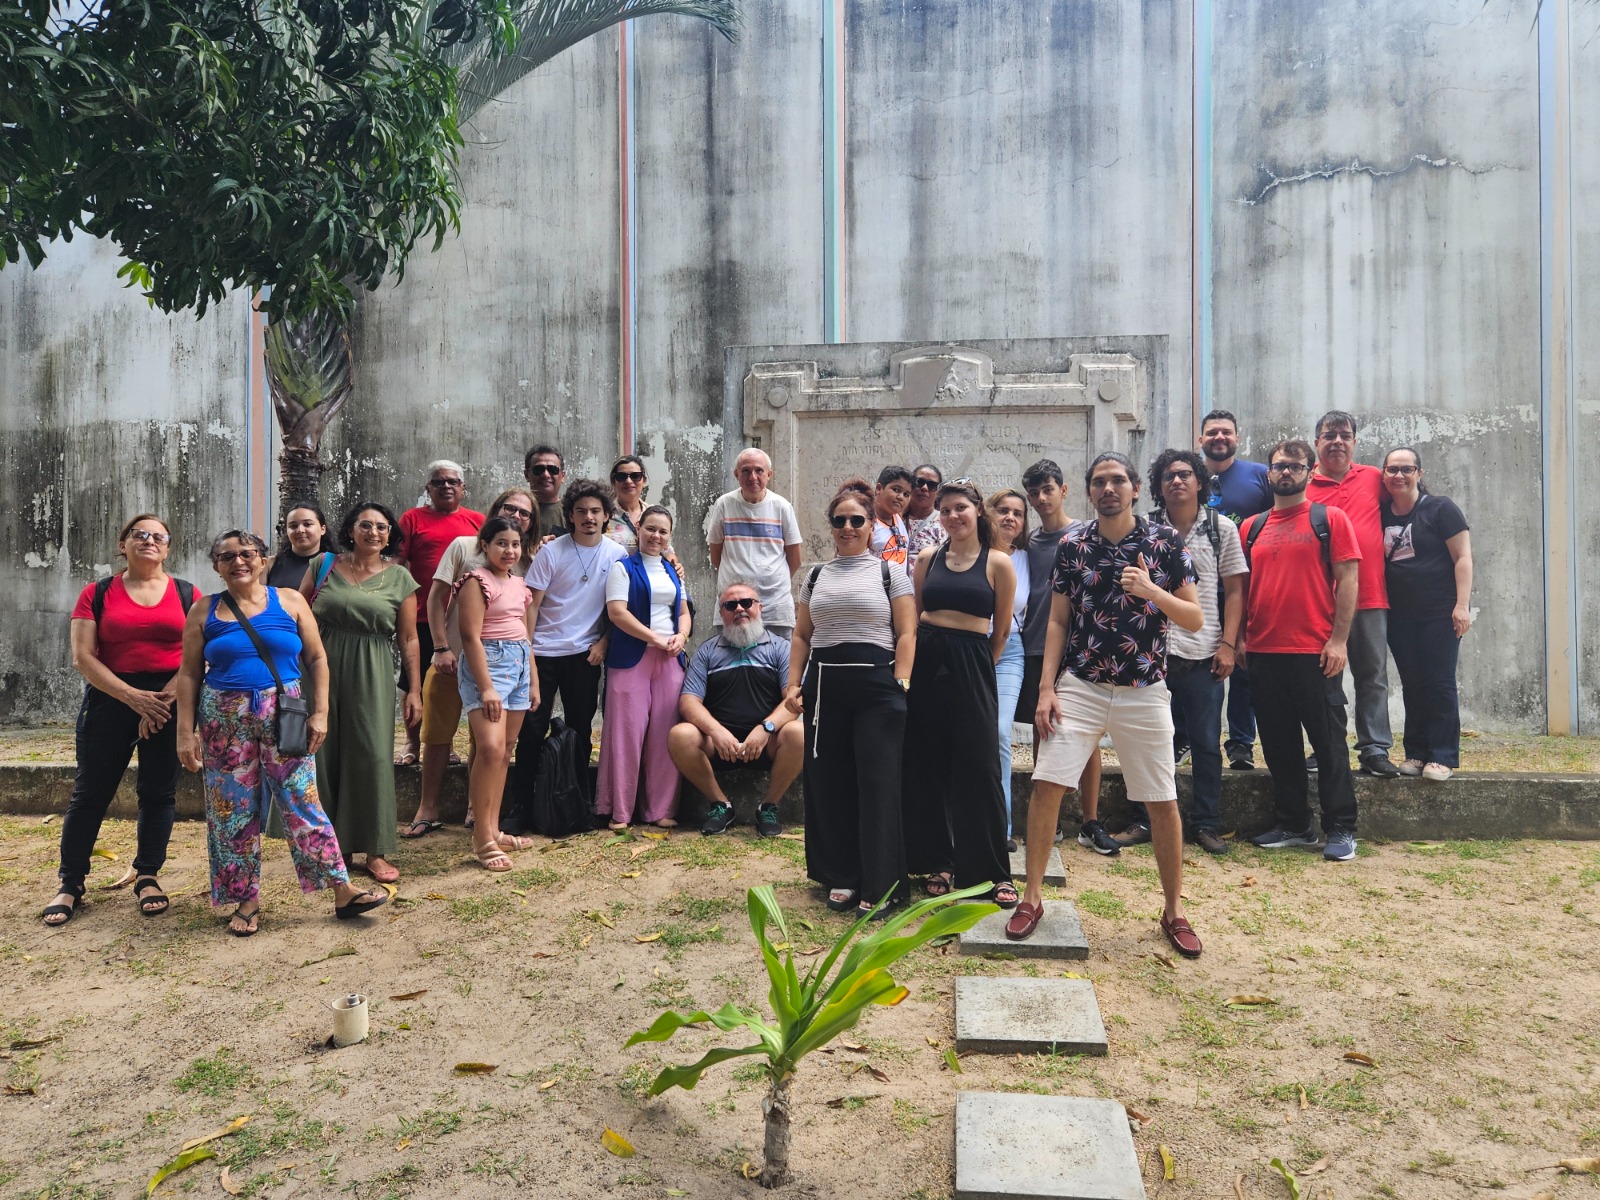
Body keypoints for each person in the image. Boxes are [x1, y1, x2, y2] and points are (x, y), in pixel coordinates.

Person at [1007, 453, 1204, 957]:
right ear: (1089, 492)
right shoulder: (1074, 544)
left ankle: (1174, 910)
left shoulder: (1165, 542)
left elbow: (1194, 620)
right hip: (1083, 685)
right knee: (1048, 782)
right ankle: (1032, 897)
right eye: (1099, 482)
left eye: (1118, 480)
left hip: (1145, 689)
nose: (1109, 489)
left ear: (1136, 489)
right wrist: (1047, 687)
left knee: (1161, 799)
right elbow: (1057, 621)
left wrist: (1152, 590)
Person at [175, 530, 388, 936]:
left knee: (302, 800)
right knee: (231, 810)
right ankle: (246, 899)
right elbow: (187, 673)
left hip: (283, 712)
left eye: (247, 554)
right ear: (216, 565)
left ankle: (342, 891)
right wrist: (186, 732)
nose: (238, 562)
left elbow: (317, 658)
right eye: (227, 556)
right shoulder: (204, 609)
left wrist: (320, 713)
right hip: (223, 717)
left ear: (262, 558)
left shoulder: (288, 600)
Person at [42, 515, 197, 926]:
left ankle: (147, 875)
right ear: (123, 543)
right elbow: (83, 657)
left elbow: (195, 655)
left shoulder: (187, 593)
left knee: (158, 790)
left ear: (168, 547)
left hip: (169, 696)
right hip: (111, 697)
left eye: (158, 536)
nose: (148, 541)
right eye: (139, 534)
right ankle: (71, 883)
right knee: (91, 791)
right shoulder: (98, 593)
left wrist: (160, 701)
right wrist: (132, 698)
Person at [786, 480, 917, 918]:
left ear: (869, 524)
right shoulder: (815, 575)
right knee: (830, 783)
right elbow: (802, 635)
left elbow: (906, 633)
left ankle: (882, 884)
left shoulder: (889, 572)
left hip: (878, 689)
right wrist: (793, 683)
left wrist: (900, 682)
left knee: (878, 786)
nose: (847, 526)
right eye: (839, 520)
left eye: (856, 519)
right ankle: (840, 874)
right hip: (825, 689)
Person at [1114, 451, 1246, 856]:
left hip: (1202, 653)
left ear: (1200, 481)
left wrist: (1227, 644)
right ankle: (1142, 818)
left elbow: (1236, 589)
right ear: (1157, 484)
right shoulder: (1145, 528)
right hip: (1151, 653)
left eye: (1185, 474)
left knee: (1206, 742)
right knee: (1149, 742)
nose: (1177, 482)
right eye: (1169, 476)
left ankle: (1206, 823)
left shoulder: (1220, 529)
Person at [1241, 440, 1363, 861]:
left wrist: (1339, 640)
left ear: (1310, 472)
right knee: (1278, 744)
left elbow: (1348, 581)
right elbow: (1242, 590)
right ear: (1269, 473)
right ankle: (1293, 823)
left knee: (1329, 744)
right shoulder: (1251, 527)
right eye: (1279, 466)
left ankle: (1341, 828)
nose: (1286, 472)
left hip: (1315, 652)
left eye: (1294, 466)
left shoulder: (1330, 519)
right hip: (1262, 652)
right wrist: (1239, 638)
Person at [903, 481, 1018, 907]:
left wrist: (978, 667)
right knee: (930, 764)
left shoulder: (999, 563)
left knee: (980, 764)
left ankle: (991, 871)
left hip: (973, 663)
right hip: (928, 661)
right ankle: (940, 860)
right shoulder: (928, 559)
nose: (952, 516)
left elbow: (1001, 631)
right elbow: (915, 615)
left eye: (960, 508)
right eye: (945, 510)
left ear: (977, 511)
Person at [404, 488, 538, 837]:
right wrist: (440, 646)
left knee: (492, 745)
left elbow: (525, 627)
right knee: (438, 733)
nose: (518, 517)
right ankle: (427, 808)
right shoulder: (465, 547)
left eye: (525, 515)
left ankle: (478, 817)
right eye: (511, 509)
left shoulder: (522, 565)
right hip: (455, 655)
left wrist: (531, 677)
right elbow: (436, 597)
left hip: (511, 663)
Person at [312, 502, 420, 883]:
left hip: (372, 669)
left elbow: (408, 639)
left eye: (382, 527)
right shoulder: (323, 566)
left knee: (371, 753)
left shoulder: (401, 579)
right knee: (325, 754)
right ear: (351, 530)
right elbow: (293, 613)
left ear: (391, 534)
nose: (373, 532)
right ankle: (333, 850)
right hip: (319, 667)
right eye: (365, 525)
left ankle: (375, 849)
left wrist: (414, 691)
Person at [513, 480, 629, 803]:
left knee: (580, 731)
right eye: (581, 511)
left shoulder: (618, 554)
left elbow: (619, 608)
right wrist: (529, 653)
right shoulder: (551, 552)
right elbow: (531, 605)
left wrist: (604, 642)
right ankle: (523, 806)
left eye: (595, 511)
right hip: (543, 655)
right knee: (532, 731)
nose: (588, 517)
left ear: (607, 515)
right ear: (570, 516)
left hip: (585, 656)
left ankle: (578, 805)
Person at [671, 580, 802, 838]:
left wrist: (766, 729)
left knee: (799, 733)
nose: (739, 609)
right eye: (731, 605)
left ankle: (768, 807)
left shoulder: (781, 648)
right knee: (680, 735)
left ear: (760, 607)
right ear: (722, 613)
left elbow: (793, 701)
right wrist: (717, 733)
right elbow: (688, 701)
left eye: (747, 603)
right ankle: (721, 805)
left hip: (767, 742)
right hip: (720, 745)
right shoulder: (707, 652)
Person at [1020, 460, 1105, 852]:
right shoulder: (1029, 541)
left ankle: (1091, 820)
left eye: (1047, 490)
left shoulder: (1086, 536)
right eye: (1033, 493)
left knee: (1087, 737)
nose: (1040, 499)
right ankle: (1047, 824)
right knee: (1045, 728)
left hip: (1081, 648)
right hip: (1036, 644)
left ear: (1064, 490)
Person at [1307, 412, 1399, 777]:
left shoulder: (1375, 479)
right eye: (1329, 435)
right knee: (1321, 679)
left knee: (1372, 674)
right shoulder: (1304, 484)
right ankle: (1325, 746)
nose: (1337, 441)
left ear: (1354, 442)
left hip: (1371, 595)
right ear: (1317, 443)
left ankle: (1375, 748)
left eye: (1344, 435)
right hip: (1318, 599)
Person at [597, 506, 693, 830]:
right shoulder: (622, 568)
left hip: (670, 658)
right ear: (639, 529)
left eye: (663, 531)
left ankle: (660, 809)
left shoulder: (674, 571)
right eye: (650, 529)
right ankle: (619, 811)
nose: (656, 536)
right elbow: (617, 613)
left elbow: (683, 610)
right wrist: (655, 638)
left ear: (670, 536)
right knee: (626, 733)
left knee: (665, 733)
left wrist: (681, 635)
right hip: (631, 657)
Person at [1380, 448, 1473, 781]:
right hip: (1399, 616)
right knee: (1412, 684)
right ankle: (1417, 753)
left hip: (1440, 613)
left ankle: (1443, 755)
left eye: (1407, 469)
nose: (1399, 476)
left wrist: (1461, 606)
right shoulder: (1380, 513)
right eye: (1392, 470)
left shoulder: (1440, 508)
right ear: (1384, 475)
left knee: (1440, 682)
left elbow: (1463, 557)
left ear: (1419, 473)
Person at [455, 516, 537, 869]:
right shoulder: (476, 581)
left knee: (504, 751)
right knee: (488, 748)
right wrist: (486, 686)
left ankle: (494, 828)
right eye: (501, 543)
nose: (509, 550)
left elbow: (524, 634)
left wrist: (533, 679)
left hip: (518, 664)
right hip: (487, 665)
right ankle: (482, 839)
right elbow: (470, 636)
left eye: (515, 544)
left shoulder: (520, 584)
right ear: (485, 546)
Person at [1198, 410, 1272, 771]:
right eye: (1212, 432)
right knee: (1195, 666)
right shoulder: (1189, 477)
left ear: (1237, 438)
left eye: (1226, 432)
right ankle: (1190, 738)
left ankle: (1241, 743)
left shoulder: (1260, 475)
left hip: (1245, 586)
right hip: (1197, 588)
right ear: (1201, 440)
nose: (1219, 437)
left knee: (1243, 664)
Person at [397, 461, 484, 766]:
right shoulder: (412, 518)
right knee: (414, 682)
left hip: (463, 621)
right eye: (439, 482)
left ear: (463, 488)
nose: (446, 486)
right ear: (428, 489)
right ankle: (410, 743)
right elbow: (398, 563)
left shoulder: (478, 521)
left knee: (453, 685)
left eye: (453, 482)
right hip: (421, 616)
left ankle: (444, 745)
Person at [707, 447, 804, 641]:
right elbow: (716, 554)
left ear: (769, 474)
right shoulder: (724, 505)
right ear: (736, 474)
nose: (753, 477)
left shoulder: (782, 507)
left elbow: (795, 558)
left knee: (778, 666)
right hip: (733, 607)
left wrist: (771, 579)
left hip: (775, 607)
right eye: (746, 471)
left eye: (759, 470)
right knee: (731, 667)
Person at [986, 488, 1029, 851]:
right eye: (1003, 510)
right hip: (970, 649)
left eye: (1017, 512)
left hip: (1010, 651)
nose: (1010, 518)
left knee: (999, 732)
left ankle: (1002, 826)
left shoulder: (1027, 559)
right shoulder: (971, 554)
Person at [266, 503, 335, 590]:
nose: (300, 530)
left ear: (322, 529)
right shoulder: (270, 564)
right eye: (293, 526)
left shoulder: (336, 564)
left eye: (307, 524)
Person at [870, 465, 914, 567]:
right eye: (896, 490)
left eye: (906, 494)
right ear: (879, 489)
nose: (900, 497)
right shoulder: (866, 523)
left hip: (900, 582)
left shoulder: (897, 515)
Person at [905, 464, 948, 563]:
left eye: (932, 485)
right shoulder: (894, 518)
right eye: (919, 482)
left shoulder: (944, 523)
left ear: (938, 491)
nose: (924, 488)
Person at [524, 445, 568, 540]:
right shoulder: (515, 511)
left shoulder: (572, 513)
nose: (546, 475)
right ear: (527, 475)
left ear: (563, 476)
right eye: (539, 469)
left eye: (553, 470)